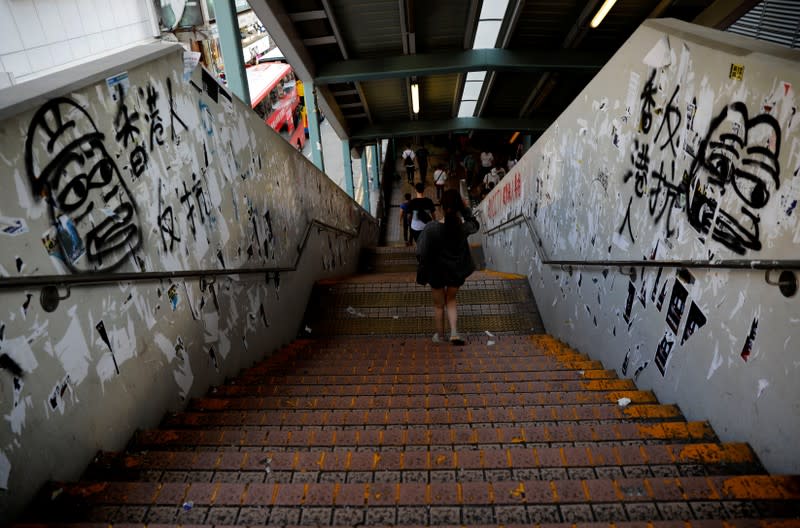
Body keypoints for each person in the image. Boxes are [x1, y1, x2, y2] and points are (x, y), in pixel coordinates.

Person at [415, 189, 479, 345]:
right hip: (455, 272)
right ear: (459, 207)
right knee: (451, 300)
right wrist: (465, 209)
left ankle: (440, 336)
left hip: (436, 273)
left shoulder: (430, 229)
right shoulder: (462, 229)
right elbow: (475, 225)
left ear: (441, 206)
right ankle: (454, 333)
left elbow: (420, 253)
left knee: (438, 305)